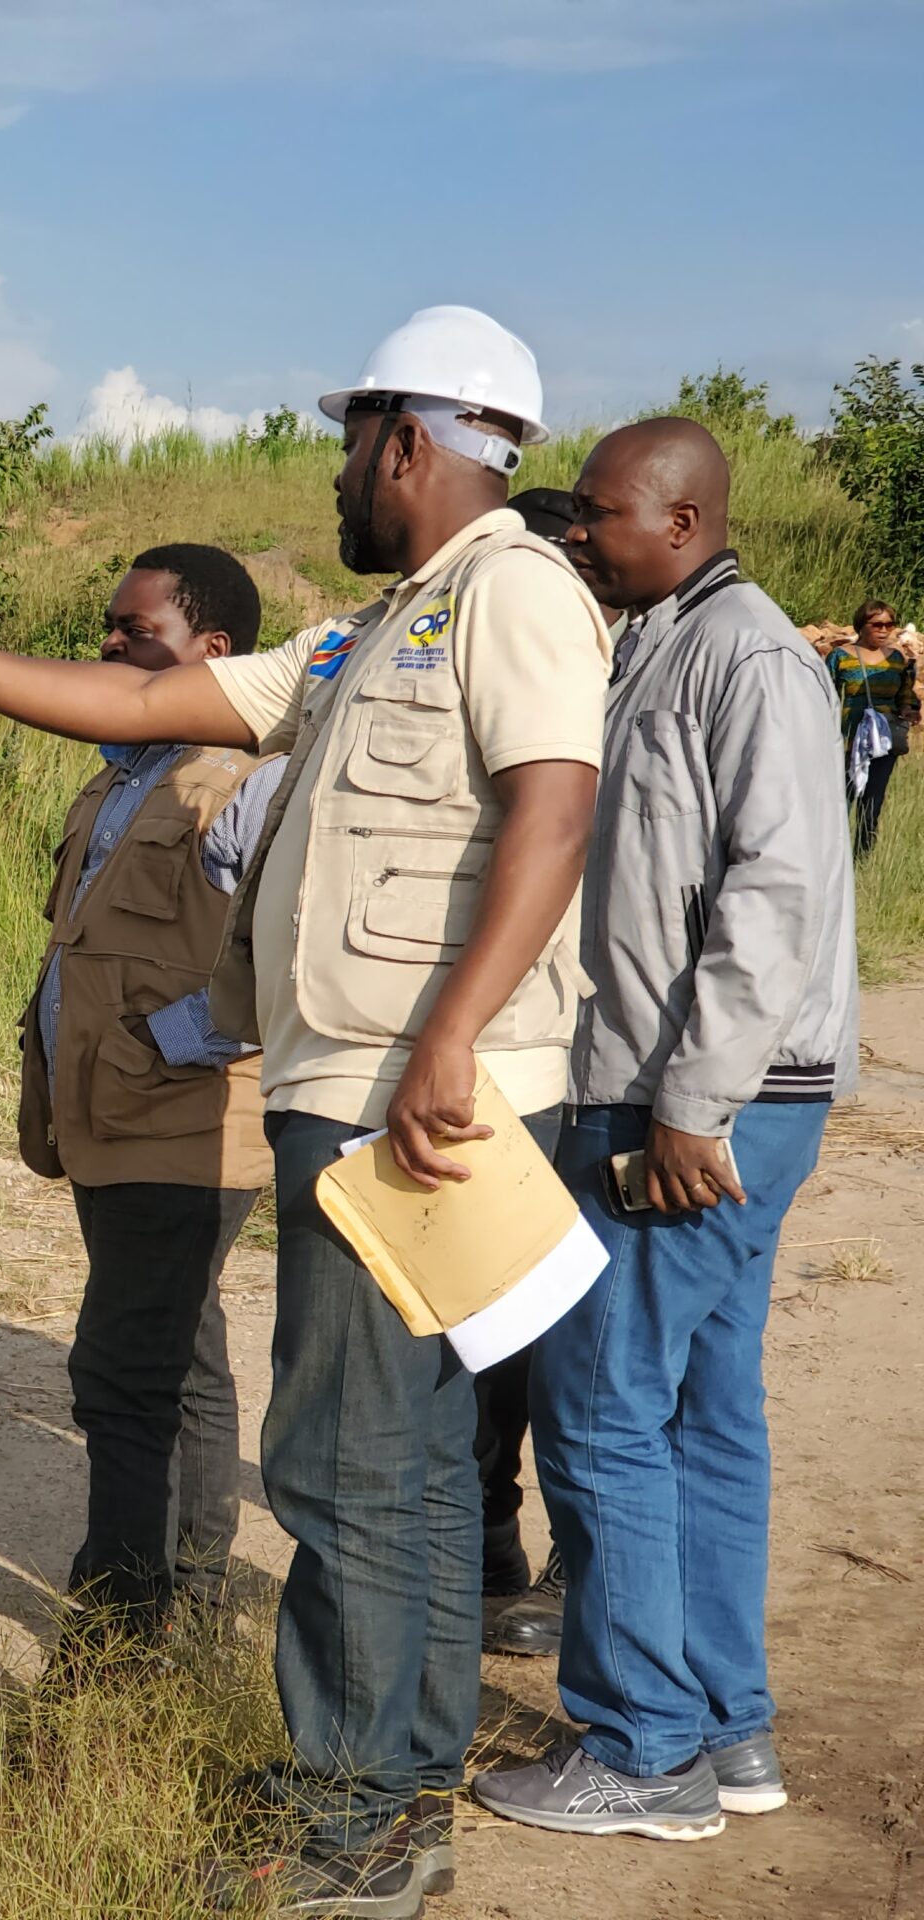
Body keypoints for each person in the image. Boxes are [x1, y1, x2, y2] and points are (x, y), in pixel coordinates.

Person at [0, 306, 610, 1919]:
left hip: (411, 1100)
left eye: (349, 439)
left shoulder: (515, 593)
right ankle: (393, 1781)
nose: (332, 470)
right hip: (359, 1090)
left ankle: (358, 1808)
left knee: (347, 1457)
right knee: (408, 1456)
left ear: (410, 442)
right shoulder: (373, 630)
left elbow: (556, 807)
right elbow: (143, 710)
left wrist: (451, 1037)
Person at [473, 420, 856, 1841]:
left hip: (699, 1100)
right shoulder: (658, 640)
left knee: (602, 1413)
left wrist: (695, 1103)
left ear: (685, 521)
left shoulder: (747, 655)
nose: (580, 534)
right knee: (701, 1416)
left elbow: (778, 891)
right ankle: (727, 1732)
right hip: (694, 1093)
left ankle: (640, 1749)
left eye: (606, 516)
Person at [14, 545, 284, 1649]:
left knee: (123, 1369)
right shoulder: (121, 770)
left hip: (183, 1125)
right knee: (184, 1348)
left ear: (211, 654)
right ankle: (189, 1583)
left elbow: (278, 957)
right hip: (107, 1115)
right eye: (109, 629)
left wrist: (164, 1043)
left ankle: (125, 1623)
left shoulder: (243, 780)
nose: (110, 651)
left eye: (136, 634)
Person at [471, 484, 578, 1661]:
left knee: (566, 1354)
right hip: (521, 1063)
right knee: (497, 1339)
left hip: (593, 1072)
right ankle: (493, 1550)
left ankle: (556, 1566)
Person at [829, 599, 916, 853]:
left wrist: (909, 710)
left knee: (872, 803)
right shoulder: (841, 657)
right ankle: (837, 858)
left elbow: (905, 694)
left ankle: (863, 858)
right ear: (862, 624)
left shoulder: (896, 659)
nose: (884, 630)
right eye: (877, 624)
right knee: (843, 800)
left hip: (884, 738)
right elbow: (824, 695)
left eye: (890, 624)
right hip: (849, 737)